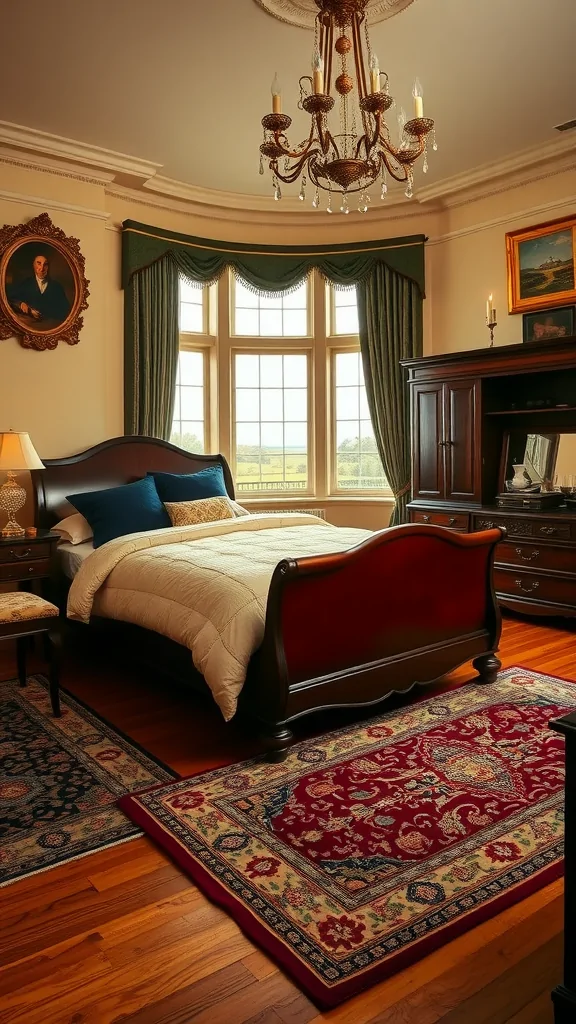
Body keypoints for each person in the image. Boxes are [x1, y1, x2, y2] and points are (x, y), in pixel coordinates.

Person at [7, 253, 71, 324]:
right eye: (39, 264)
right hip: (30, 325)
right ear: (34, 265)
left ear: (48, 267)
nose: (42, 268)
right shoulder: (26, 283)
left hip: (50, 325)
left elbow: (65, 310)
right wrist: (21, 304)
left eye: (45, 264)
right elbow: (11, 299)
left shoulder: (57, 287)